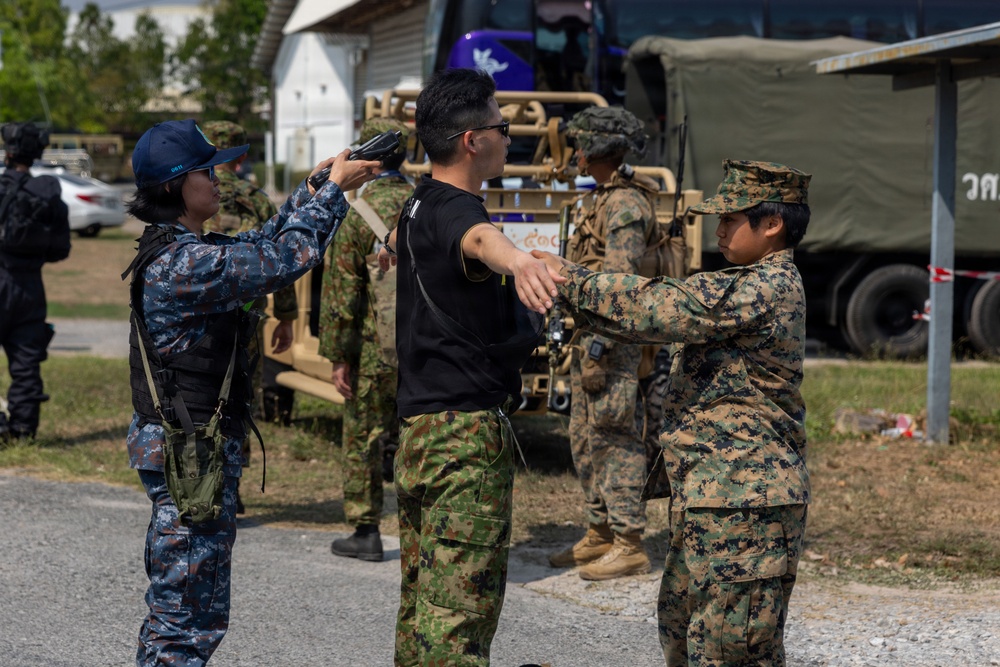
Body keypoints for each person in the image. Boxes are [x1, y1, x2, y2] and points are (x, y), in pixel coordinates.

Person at [532, 159, 812, 666]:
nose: (720, 228)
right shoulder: (746, 282)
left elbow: (656, 308)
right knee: (685, 638)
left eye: (732, 218)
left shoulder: (763, 286)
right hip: (715, 497)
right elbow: (644, 322)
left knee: (730, 652)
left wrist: (567, 276)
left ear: (772, 225)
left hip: (746, 503)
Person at [121, 118, 377, 666]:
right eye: (206, 172)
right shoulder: (182, 262)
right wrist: (333, 193)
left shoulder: (187, 249)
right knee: (185, 622)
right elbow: (285, 259)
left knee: (183, 612)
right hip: (188, 455)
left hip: (188, 450)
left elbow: (261, 243)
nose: (220, 180)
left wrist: (310, 191)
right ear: (173, 187)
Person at [379, 68, 564, 666]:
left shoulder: (417, 203)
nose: (510, 139)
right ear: (471, 141)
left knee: (423, 610)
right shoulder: (459, 211)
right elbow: (482, 240)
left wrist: (518, 260)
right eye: (503, 128)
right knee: (458, 619)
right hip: (461, 439)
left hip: (419, 432)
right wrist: (519, 264)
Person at [547, 106, 656, 580]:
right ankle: (600, 532)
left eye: (579, 145)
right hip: (588, 337)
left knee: (616, 438)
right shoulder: (599, 199)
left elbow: (622, 285)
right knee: (585, 440)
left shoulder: (626, 205)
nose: (573, 154)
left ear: (595, 150)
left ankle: (630, 541)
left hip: (612, 343)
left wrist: (598, 350)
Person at [318, 117, 414, 562]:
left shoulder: (357, 214)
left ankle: (366, 530)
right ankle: (425, 531)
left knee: (365, 436)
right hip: (428, 349)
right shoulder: (428, 203)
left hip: (376, 350)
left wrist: (339, 357)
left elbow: (341, 294)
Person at [201, 120, 298, 513]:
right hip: (247, 318)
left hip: (199, 318)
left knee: (201, 398)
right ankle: (232, 488)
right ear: (241, 155)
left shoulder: (193, 192)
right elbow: (282, 258)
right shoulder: (256, 200)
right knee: (239, 400)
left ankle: (199, 480)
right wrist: (286, 316)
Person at [0, 122, 71, 444]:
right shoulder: (47, 193)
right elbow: (60, 251)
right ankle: (23, 431)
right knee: (26, 361)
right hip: (30, 288)